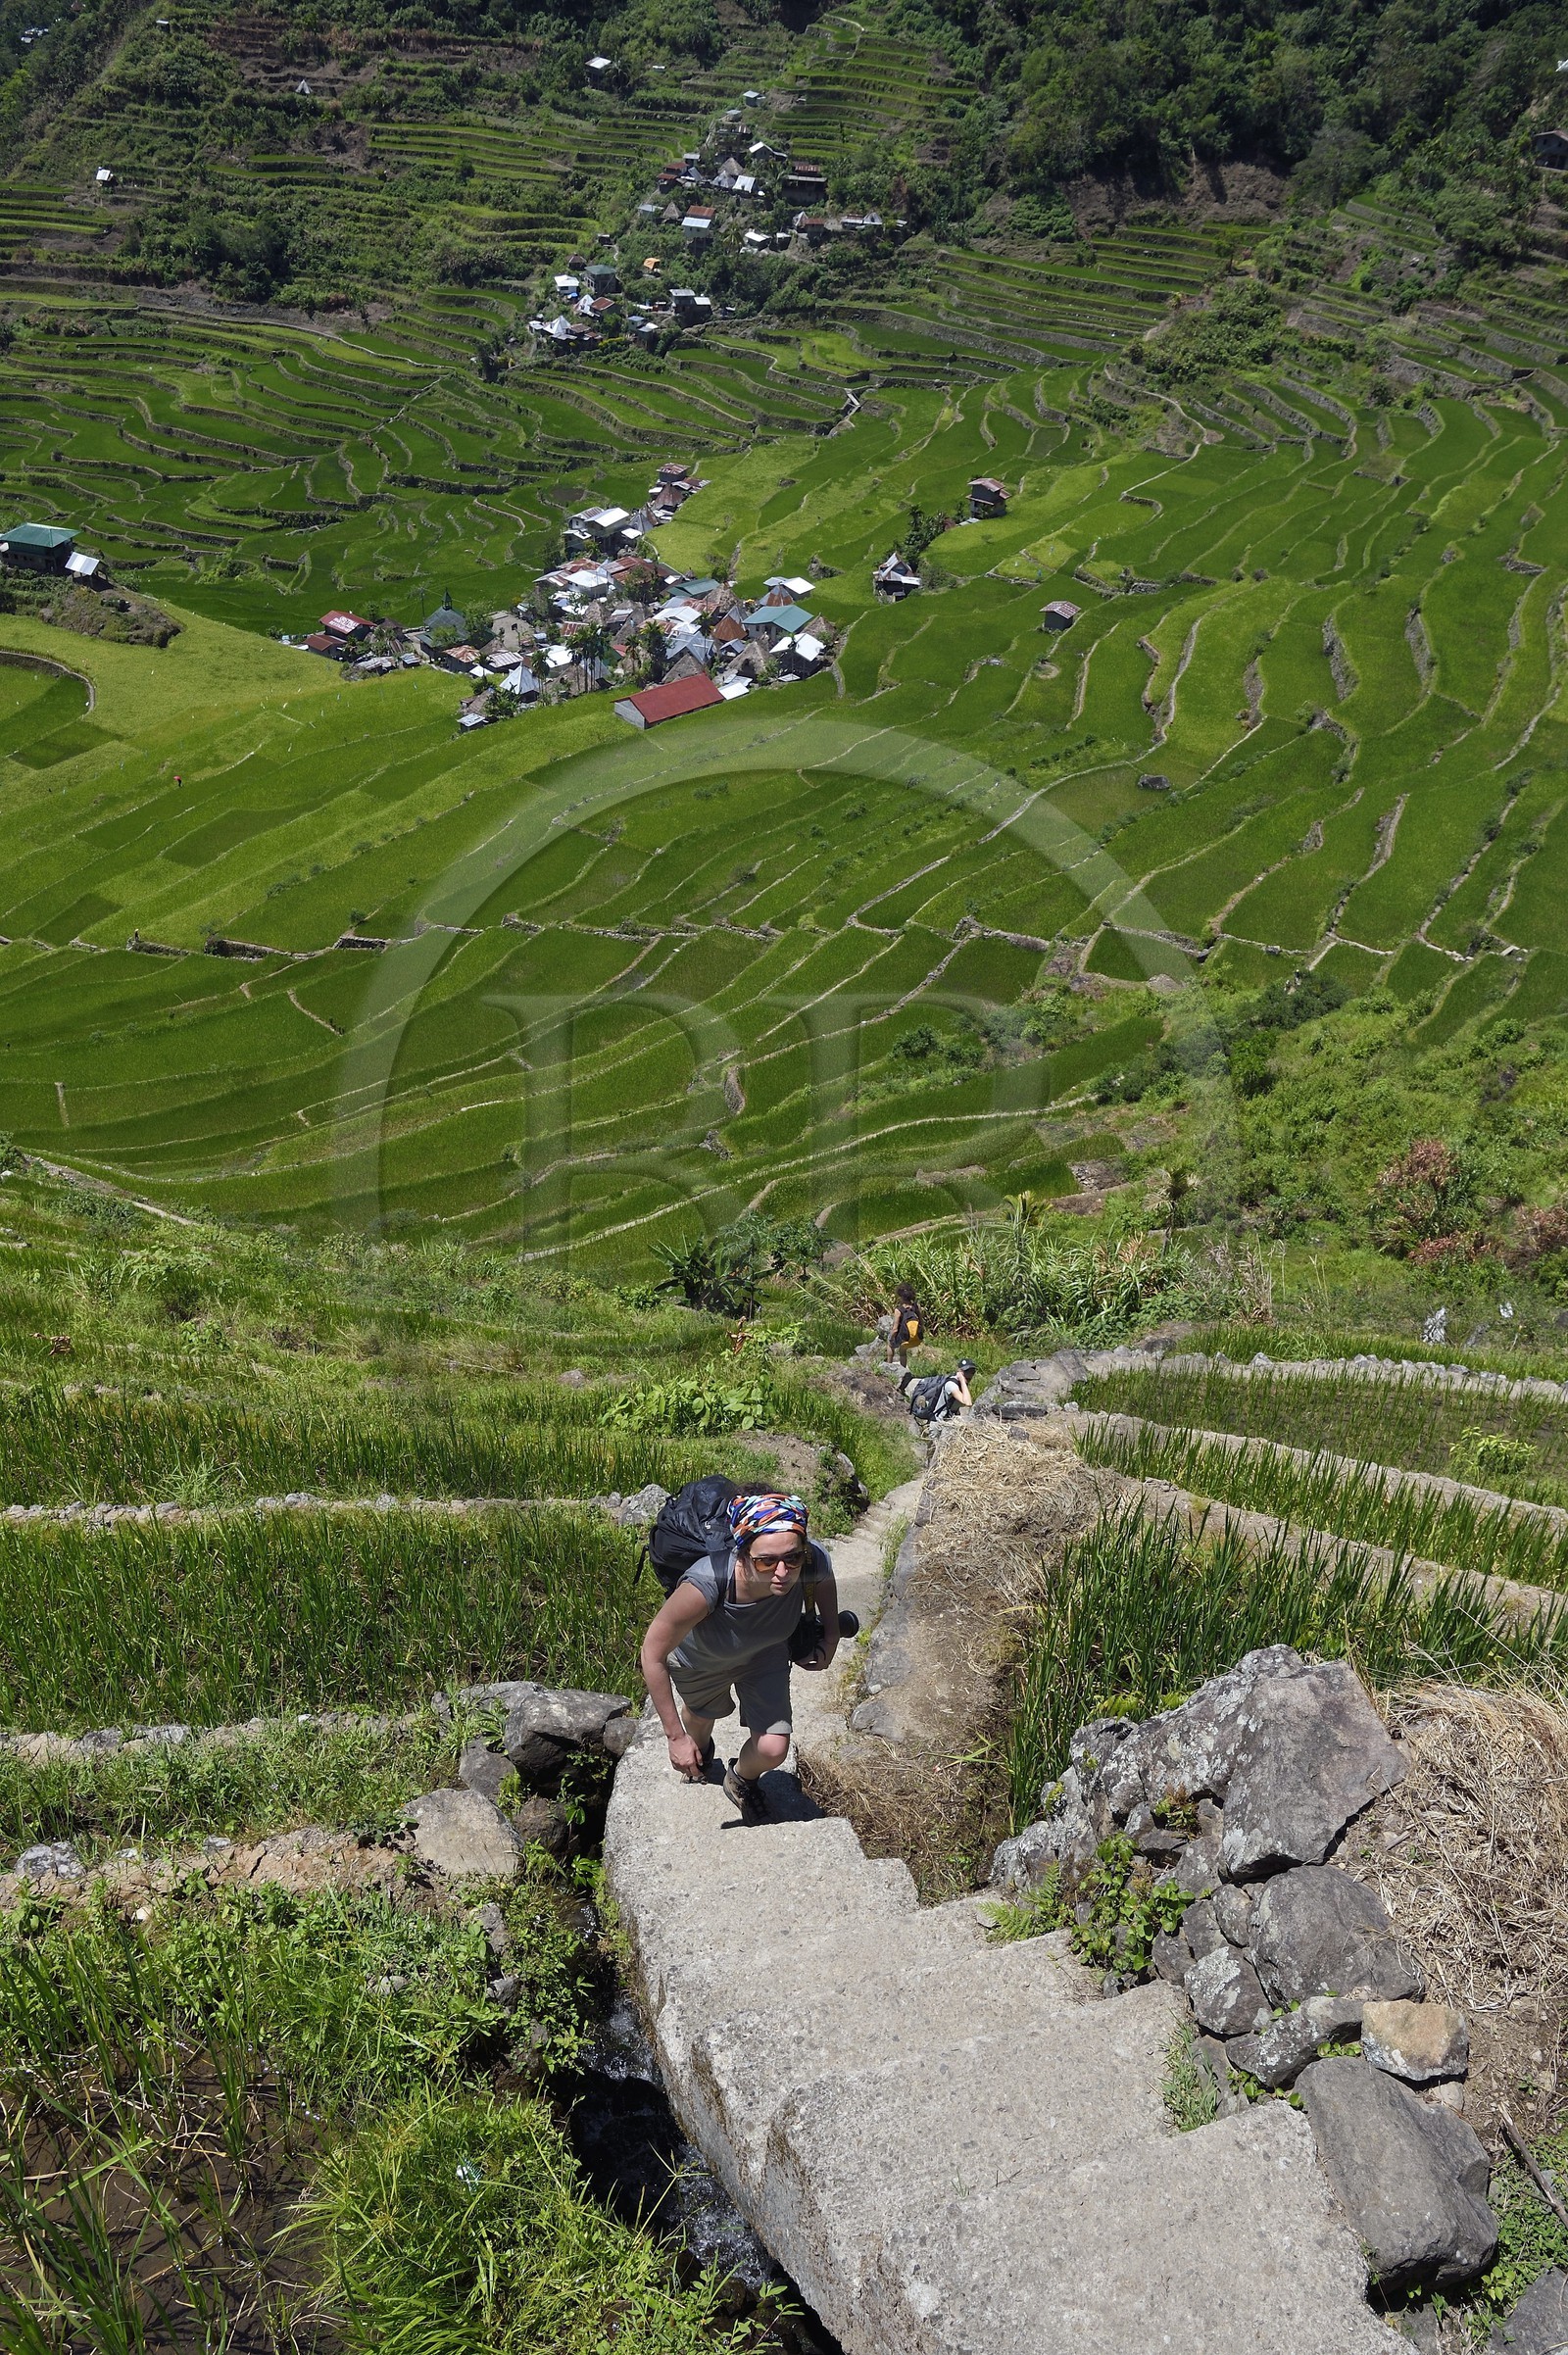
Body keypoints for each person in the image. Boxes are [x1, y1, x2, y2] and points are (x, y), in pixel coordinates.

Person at [639, 1492, 838, 1824]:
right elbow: (652, 1651)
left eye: (793, 1558)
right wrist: (676, 1738)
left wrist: (830, 1637)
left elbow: (823, 1577)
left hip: (765, 1656)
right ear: (742, 1554)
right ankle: (700, 1745)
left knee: (774, 1747)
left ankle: (740, 1779)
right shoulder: (706, 1583)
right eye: (766, 1561)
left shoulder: (811, 1560)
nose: (782, 1572)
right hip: (701, 1662)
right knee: (700, 1722)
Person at [889, 1281, 924, 1367]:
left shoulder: (899, 1310)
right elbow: (921, 1323)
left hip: (905, 1340)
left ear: (901, 1297)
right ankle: (903, 1369)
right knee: (902, 1350)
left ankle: (888, 1366)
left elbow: (895, 1329)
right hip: (917, 1339)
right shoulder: (915, 1307)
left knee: (889, 1344)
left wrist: (891, 1337)